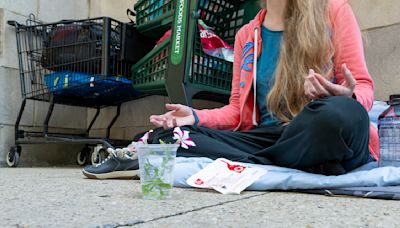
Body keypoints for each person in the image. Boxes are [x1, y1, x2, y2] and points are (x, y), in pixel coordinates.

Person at [83, 0, 378, 179]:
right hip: (268, 140)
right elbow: (237, 111)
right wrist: (195, 118)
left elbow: (363, 88)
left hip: (320, 127)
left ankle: (270, 161)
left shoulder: (334, 10)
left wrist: (345, 95)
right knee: (172, 134)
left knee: (336, 115)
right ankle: (301, 164)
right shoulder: (246, 35)